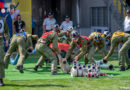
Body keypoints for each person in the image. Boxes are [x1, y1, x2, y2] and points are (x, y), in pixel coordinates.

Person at [0, 11, 10, 86]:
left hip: (0, 40)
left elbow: (6, 31)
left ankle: (0, 79)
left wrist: (6, 39)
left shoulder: (3, 20)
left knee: (0, 60)